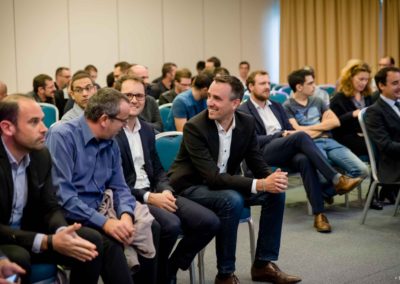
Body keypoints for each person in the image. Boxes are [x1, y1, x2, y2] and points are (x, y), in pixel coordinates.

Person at [169, 75, 301, 284]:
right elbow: (212, 178)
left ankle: (262, 265)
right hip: (191, 188)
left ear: (235, 103)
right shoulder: (195, 127)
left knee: (275, 194)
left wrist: (271, 178)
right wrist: (259, 184)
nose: (210, 102)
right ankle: (225, 274)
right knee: (232, 200)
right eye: (209, 96)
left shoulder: (246, 123)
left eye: (217, 98)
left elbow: (256, 161)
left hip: (223, 184)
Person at [114, 75, 219, 283]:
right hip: (130, 197)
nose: (134, 100)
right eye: (128, 95)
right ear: (118, 98)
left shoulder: (146, 129)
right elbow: (116, 183)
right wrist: (149, 197)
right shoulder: (112, 132)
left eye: (139, 96)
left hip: (155, 191)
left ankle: (169, 268)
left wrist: (166, 190)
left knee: (209, 222)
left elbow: (158, 170)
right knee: (170, 225)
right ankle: (156, 277)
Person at [239, 70, 363, 232]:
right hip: (262, 153)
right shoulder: (243, 110)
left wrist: (287, 134)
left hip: (284, 148)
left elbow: (290, 129)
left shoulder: (276, 106)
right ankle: (336, 179)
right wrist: (280, 134)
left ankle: (319, 214)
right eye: (262, 84)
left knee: (304, 159)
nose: (267, 87)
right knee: (301, 136)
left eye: (268, 83)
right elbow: (251, 141)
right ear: (250, 87)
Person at [0, 95, 102, 284]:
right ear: (7, 127)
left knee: (90, 242)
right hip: (5, 241)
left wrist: (63, 231)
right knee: (18, 257)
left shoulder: (41, 154)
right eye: (34, 122)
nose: (44, 128)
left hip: (32, 232)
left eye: (42, 121)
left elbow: (50, 206)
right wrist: (47, 241)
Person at [46, 88, 141, 284]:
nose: (124, 126)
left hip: (95, 212)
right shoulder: (62, 136)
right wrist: (106, 223)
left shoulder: (111, 143)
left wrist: (126, 216)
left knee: (133, 233)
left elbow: (120, 186)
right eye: (122, 121)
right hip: (63, 216)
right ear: (105, 120)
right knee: (98, 241)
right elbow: (64, 197)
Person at [284, 69, 369, 181]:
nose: (315, 86)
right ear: (299, 87)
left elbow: (335, 122)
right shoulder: (287, 106)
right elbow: (298, 132)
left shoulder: (318, 101)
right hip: (311, 145)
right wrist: (323, 126)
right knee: (323, 178)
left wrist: (306, 128)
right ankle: (329, 191)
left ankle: (330, 192)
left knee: (363, 170)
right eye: (310, 83)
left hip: (329, 141)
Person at [365, 67, 400, 204]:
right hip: (392, 163)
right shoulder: (374, 112)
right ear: (381, 85)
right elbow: (386, 146)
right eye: (395, 83)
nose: (399, 86)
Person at [128, 64, 163, 132]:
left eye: (147, 77)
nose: (147, 81)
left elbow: (160, 126)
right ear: (131, 79)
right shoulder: (122, 100)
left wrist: (141, 125)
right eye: (143, 78)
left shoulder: (151, 100)